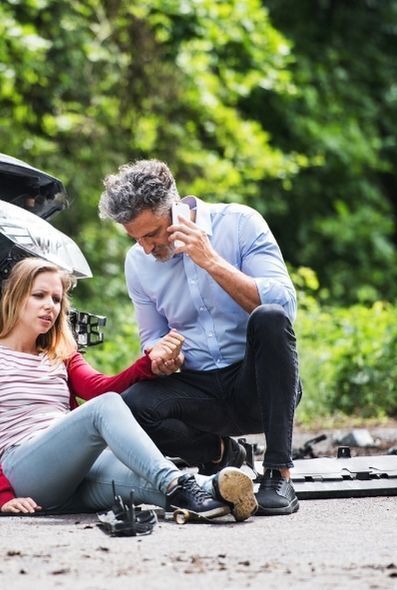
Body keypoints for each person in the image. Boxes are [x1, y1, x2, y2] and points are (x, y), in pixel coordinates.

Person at [0, 257, 256, 521]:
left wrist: (146, 365)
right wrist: (2, 495)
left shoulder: (61, 354)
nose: (50, 306)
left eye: (57, 299)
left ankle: (217, 492)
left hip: (69, 474)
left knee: (142, 477)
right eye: (39, 296)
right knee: (106, 409)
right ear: (15, 297)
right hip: (21, 472)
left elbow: (100, 388)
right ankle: (181, 486)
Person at [98, 159, 302, 516]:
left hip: (256, 384)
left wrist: (210, 260)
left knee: (269, 318)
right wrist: (161, 357)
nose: (146, 248)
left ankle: (279, 473)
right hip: (199, 391)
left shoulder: (240, 223)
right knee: (130, 405)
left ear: (177, 213)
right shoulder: (138, 263)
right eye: (136, 238)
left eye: (152, 234)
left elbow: (284, 306)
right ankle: (221, 454)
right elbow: (151, 337)